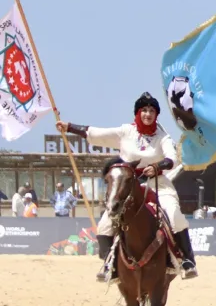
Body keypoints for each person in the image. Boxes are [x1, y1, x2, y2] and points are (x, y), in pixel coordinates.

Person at [57, 92, 198, 282]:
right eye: (144, 110)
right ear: (138, 113)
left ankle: (186, 260)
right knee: (105, 224)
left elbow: (172, 158)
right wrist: (69, 127)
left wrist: (157, 166)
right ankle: (110, 265)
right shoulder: (125, 131)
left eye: (151, 111)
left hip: (157, 184)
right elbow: (97, 134)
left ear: (156, 115)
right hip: (128, 185)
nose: (148, 114)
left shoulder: (162, 136)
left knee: (174, 215)